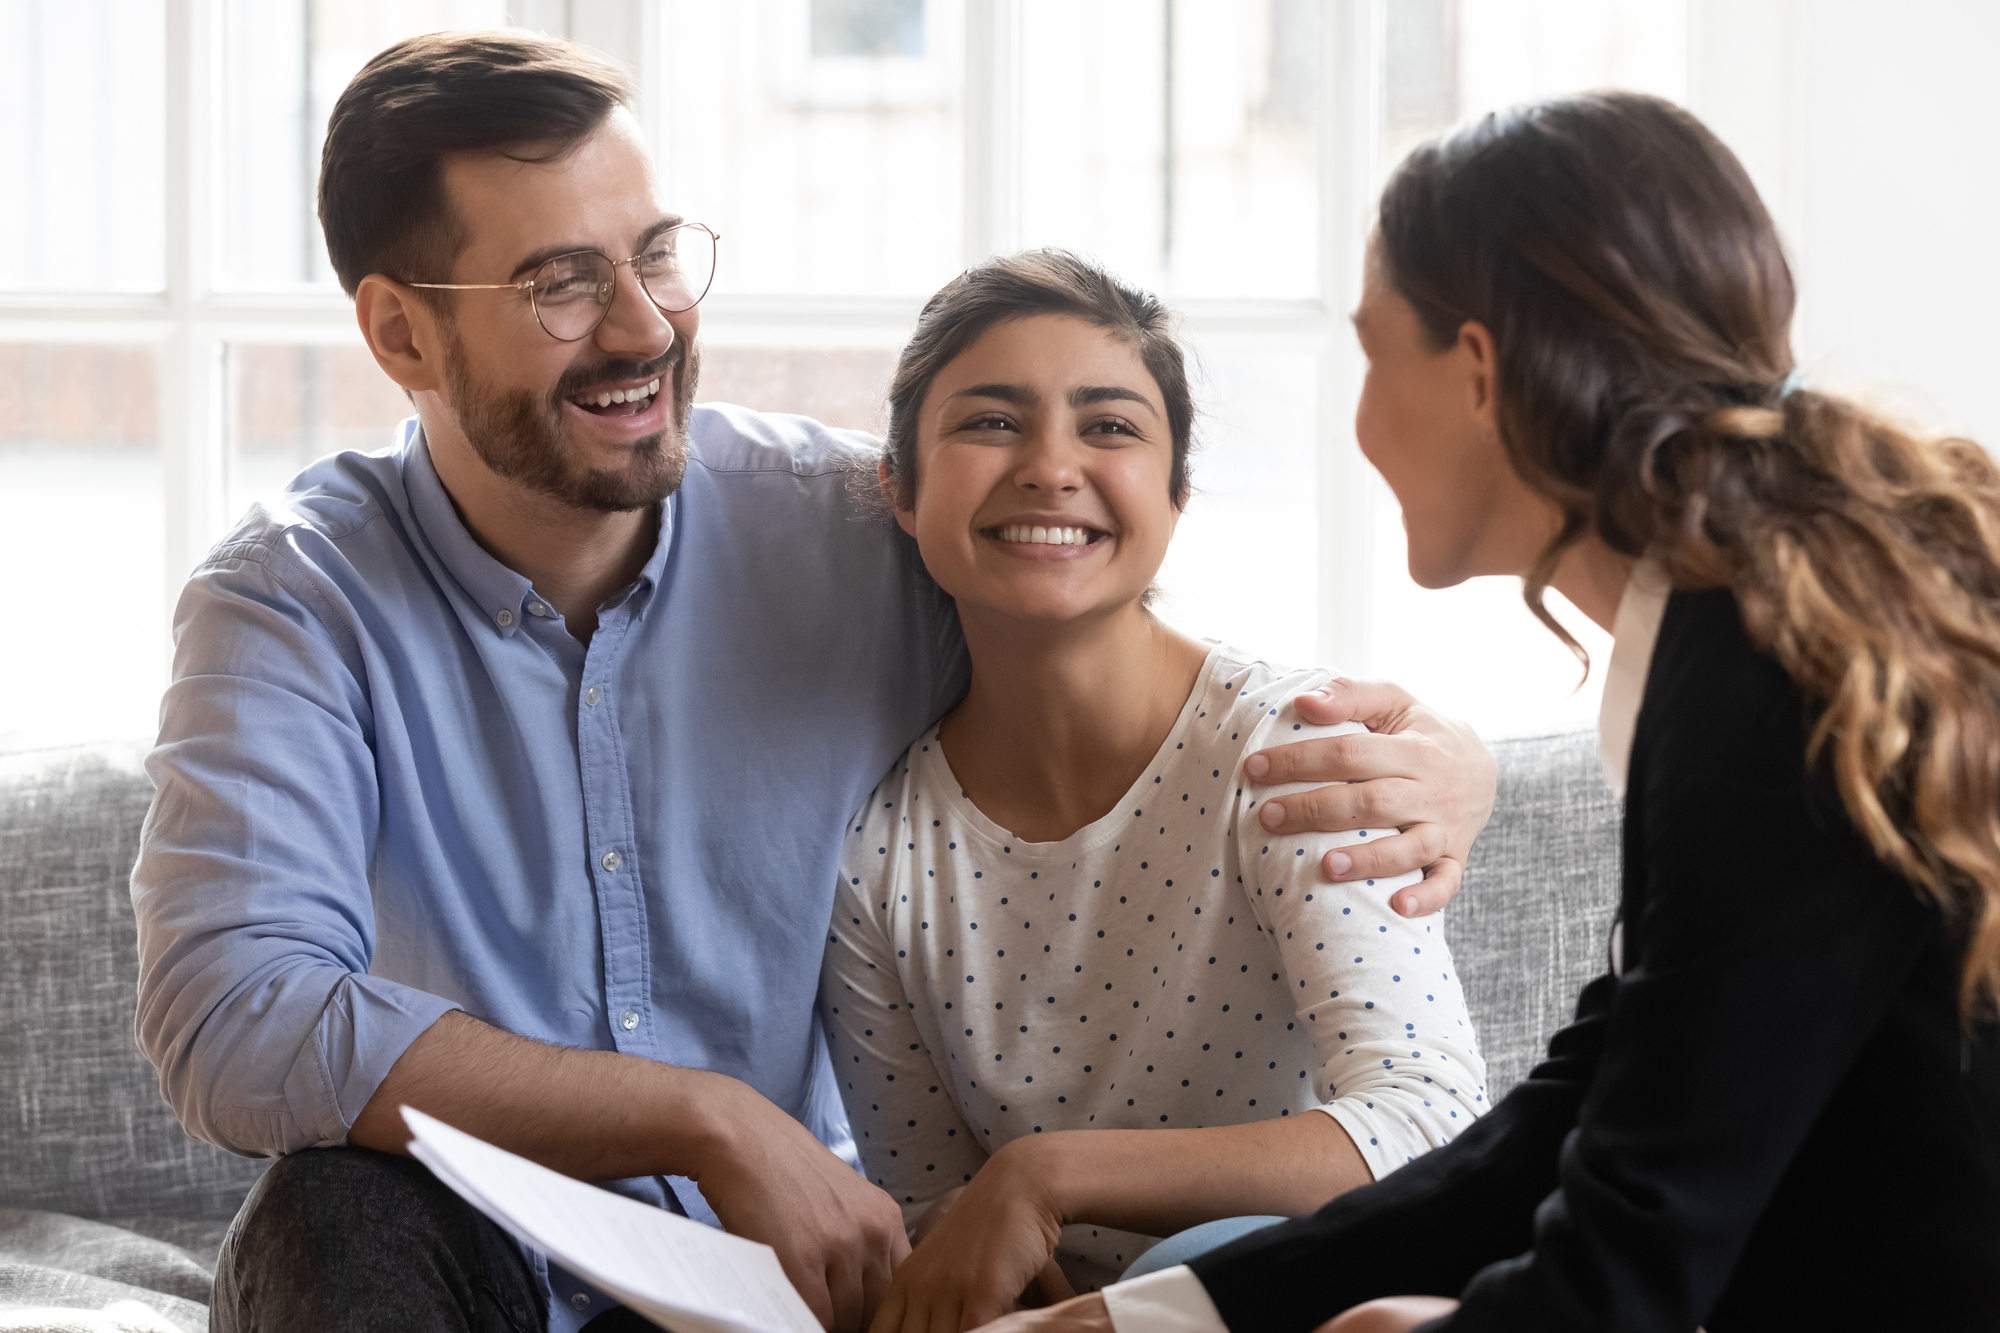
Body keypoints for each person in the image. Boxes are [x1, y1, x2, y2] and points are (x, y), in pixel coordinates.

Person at [128, 29, 1499, 1333]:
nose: (644, 324)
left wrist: (1450, 753)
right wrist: (701, 1116)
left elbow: (1098, 613)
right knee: (331, 1205)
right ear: (402, 334)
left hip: (793, 1287)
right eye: (561, 282)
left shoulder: (858, 525)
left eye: (658, 254)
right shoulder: (293, 600)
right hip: (488, 1269)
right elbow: (233, 1010)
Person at [980, 90, 2000, 1333]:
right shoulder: (1729, 635)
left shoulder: (1763, 675)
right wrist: (1137, 1321)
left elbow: (1631, 1257)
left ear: (1476, 371)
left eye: (1370, 353)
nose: (1355, 423)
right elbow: (1569, 1125)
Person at [817, 252, 1488, 1332]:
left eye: (1111, 426)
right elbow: (946, 1229)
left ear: (1176, 493)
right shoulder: (878, 853)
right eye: (989, 423)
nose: (1048, 466)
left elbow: (1428, 1120)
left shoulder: (1290, 752)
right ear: (898, 487)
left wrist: (1048, 1175)